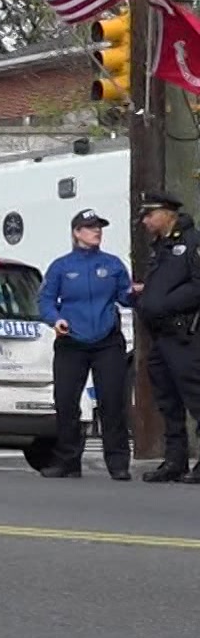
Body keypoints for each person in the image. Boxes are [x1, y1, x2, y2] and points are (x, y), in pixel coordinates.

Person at [37, 208, 133, 480]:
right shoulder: (61, 266)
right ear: (77, 232)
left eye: (99, 227)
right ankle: (67, 460)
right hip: (71, 341)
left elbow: (125, 297)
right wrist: (55, 319)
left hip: (107, 341)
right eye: (90, 227)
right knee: (66, 402)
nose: (97, 231)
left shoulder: (113, 264)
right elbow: (45, 301)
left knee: (112, 402)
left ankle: (118, 463)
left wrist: (135, 293)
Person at [134, 192, 200, 483]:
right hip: (161, 336)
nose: (146, 221)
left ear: (167, 214)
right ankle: (175, 460)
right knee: (167, 401)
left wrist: (164, 302)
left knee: (196, 398)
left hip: (184, 333)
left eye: (149, 215)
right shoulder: (161, 247)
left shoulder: (192, 243)